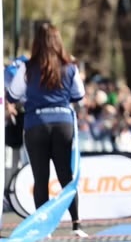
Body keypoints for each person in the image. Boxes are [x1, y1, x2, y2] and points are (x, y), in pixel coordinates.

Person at [6, 23, 88, 238]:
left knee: (40, 177)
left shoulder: (27, 67)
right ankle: (76, 224)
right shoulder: (69, 66)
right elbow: (79, 95)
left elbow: (13, 94)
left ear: (36, 42)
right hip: (62, 123)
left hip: (36, 123)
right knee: (66, 175)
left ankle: (44, 229)